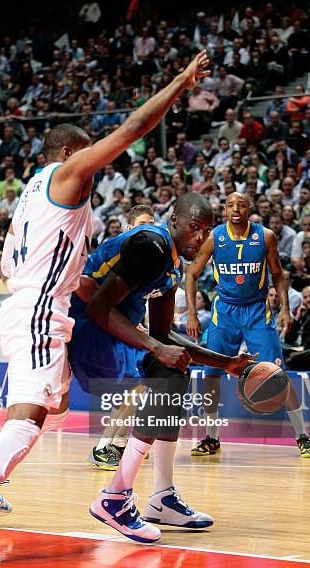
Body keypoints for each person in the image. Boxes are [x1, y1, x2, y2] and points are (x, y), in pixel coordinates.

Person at [0, 50, 212, 568]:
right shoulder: (64, 176)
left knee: (48, 411)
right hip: (39, 310)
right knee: (28, 421)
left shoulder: (34, 196)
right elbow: (130, 130)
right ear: (65, 152)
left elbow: (28, 264)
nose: (95, 168)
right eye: (87, 156)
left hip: (37, 305)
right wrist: (178, 84)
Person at [69, 192, 253, 543]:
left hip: (110, 327)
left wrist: (226, 362)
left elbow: (164, 333)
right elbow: (97, 306)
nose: (201, 238)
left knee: (173, 371)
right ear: (174, 223)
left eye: (207, 231)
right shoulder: (152, 246)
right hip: (83, 325)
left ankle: (159, 497)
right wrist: (157, 348)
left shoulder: (172, 265)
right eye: (194, 228)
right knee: (39, 418)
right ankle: (115, 496)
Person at [186, 192, 310, 459]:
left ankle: (302, 435)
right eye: (231, 205)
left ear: (249, 209)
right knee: (211, 375)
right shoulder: (215, 237)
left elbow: (279, 275)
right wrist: (191, 314)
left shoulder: (266, 236)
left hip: (257, 311)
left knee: (277, 373)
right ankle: (211, 438)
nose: (236, 209)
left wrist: (285, 310)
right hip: (225, 312)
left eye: (241, 205)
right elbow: (191, 274)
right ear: (224, 210)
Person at [87, 204, 155, 469]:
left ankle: (117, 442)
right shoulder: (120, 255)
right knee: (132, 388)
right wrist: (132, 327)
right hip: (112, 330)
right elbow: (102, 297)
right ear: (129, 229)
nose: (147, 228)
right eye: (141, 225)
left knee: (139, 388)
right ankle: (104, 446)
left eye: (151, 224)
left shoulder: (151, 259)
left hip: (131, 331)